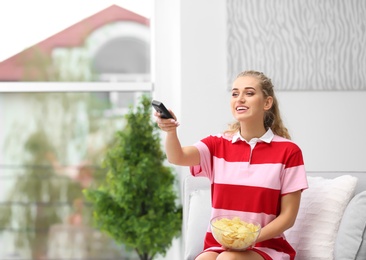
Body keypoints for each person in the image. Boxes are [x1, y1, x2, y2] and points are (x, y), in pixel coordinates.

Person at [154, 70, 308, 260]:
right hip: (219, 245)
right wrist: (170, 132)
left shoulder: (289, 151)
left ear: (267, 103)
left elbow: (288, 217)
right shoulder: (216, 145)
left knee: (229, 259)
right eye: (235, 94)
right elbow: (177, 157)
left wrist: (249, 238)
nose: (240, 99)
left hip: (265, 246)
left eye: (249, 93)